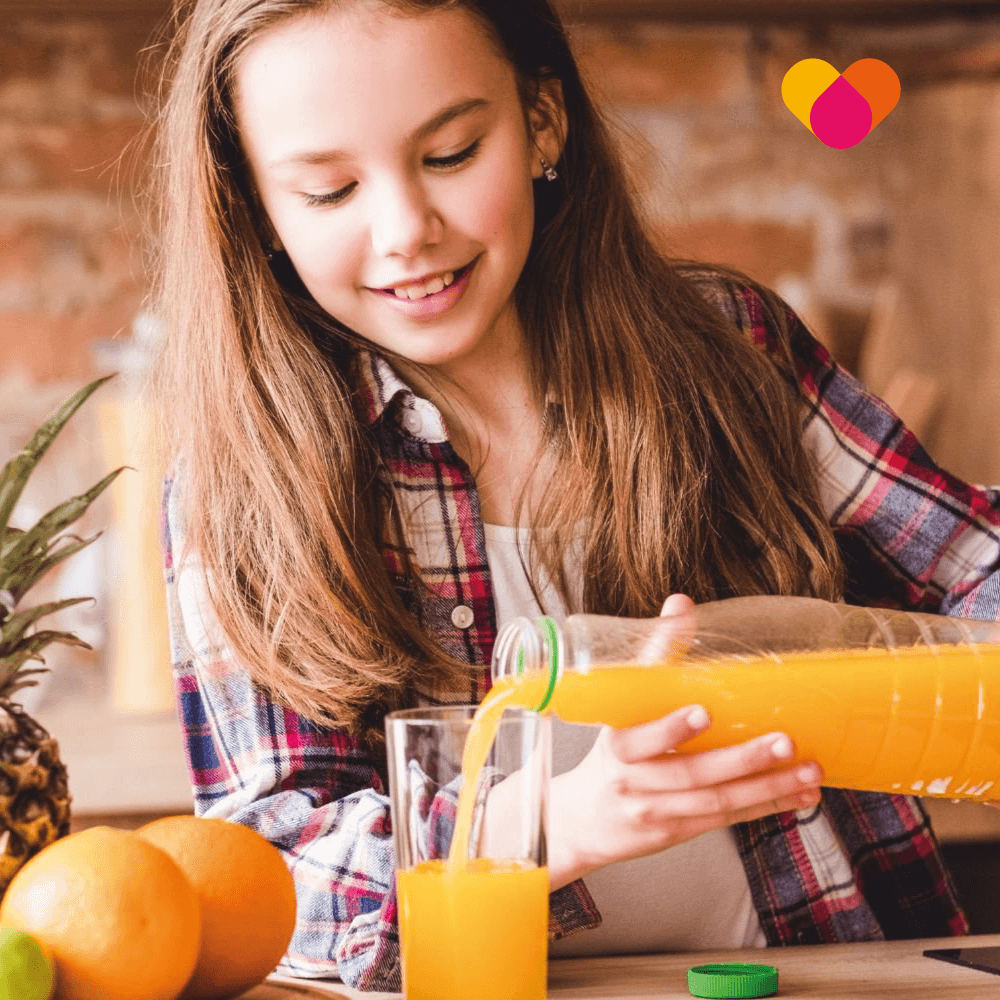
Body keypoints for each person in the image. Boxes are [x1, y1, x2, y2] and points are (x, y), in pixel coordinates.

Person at [147, 0, 1000, 990]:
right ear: (255, 208)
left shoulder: (728, 350)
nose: (406, 231)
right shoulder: (247, 486)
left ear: (542, 124)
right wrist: (548, 821)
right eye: (330, 190)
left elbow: (975, 561)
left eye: (452, 154)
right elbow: (268, 873)